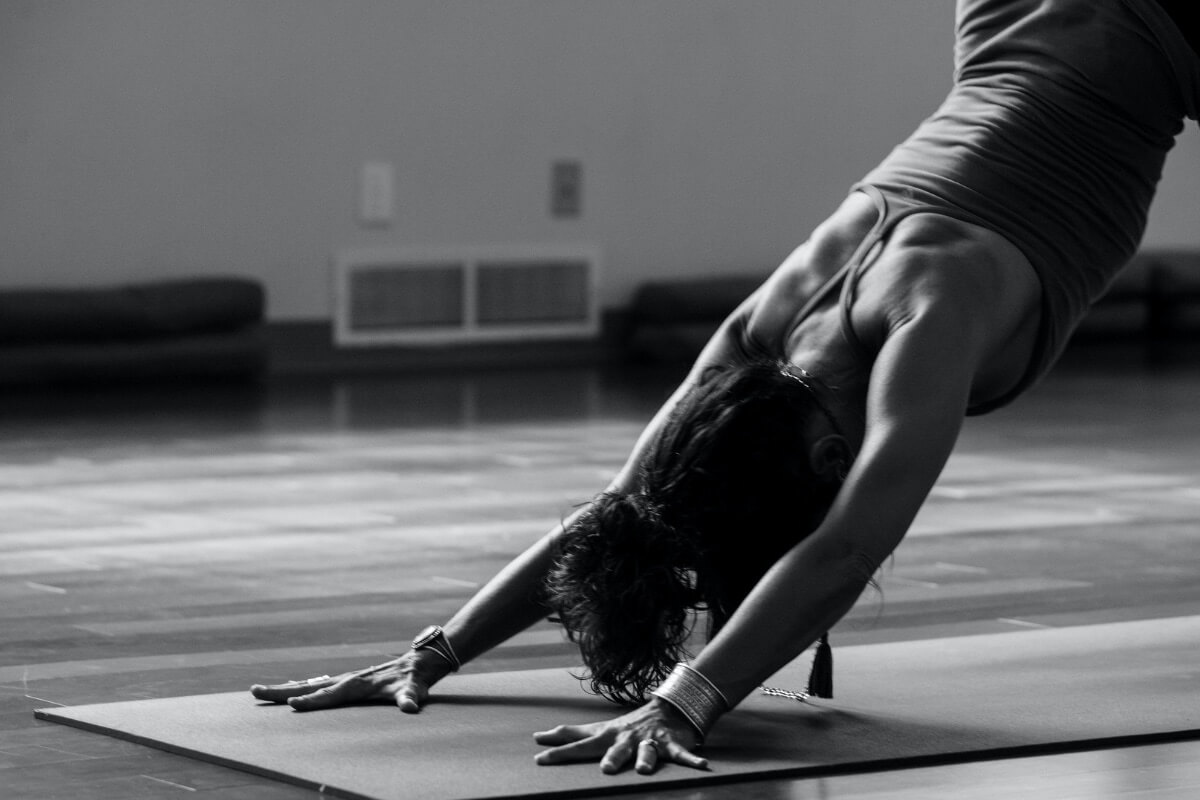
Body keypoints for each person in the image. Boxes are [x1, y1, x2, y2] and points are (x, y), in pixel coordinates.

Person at [252, 0, 1198, 776]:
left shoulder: (926, 322)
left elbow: (840, 554)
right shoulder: (764, 330)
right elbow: (623, 510)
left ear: (834, 456)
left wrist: (686, 704)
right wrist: (438, 650)